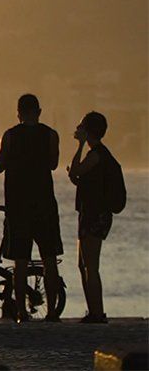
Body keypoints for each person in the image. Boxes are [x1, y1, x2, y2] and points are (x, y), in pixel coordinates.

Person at [0, 94, 63, 322]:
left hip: (18, 205)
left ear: (18, 112)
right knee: (49, 259)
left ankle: (22, 312)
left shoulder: (10, 135)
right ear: (39, 111)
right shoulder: (51, 135)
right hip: (44, 203)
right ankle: (52, 311)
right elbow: (53, 163)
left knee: (21, 261)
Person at [67, 111, 119, 324]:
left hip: (95, 216)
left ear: (88, 130)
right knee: (83, 264)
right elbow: (82, 178)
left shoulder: (96, 154)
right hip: (90, 214)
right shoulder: (98, 155)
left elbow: (76, 171)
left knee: (91, 265)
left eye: (81, 126)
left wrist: (79, 145)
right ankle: (93, 311)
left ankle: (98, 313)